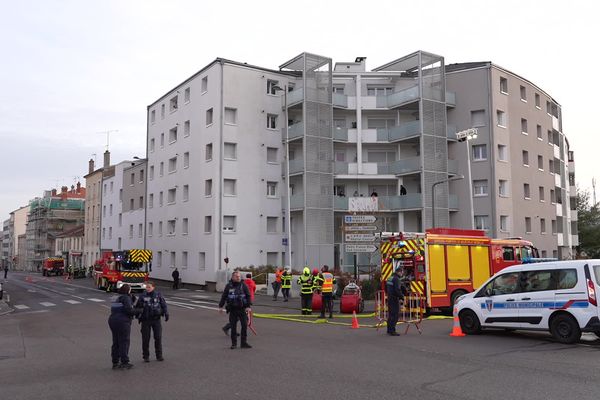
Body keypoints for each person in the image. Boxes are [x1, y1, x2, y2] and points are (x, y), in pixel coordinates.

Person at [108, 284, 140, 369]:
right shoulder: (126, 298)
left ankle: (115, 362)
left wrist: (131, 300)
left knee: (116, 341)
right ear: (128, 290)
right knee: (124, 341)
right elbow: (129, 310)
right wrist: (139, 310)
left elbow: (119, 307)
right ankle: (124, 362)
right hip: (122, 321)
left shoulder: (116, 297)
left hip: (112, 320)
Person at [135, 282, 169, 362]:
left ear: (153, 287)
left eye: (149, 287)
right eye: (146, 287)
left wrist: (166, 313)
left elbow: (163, 305)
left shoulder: (158, 295)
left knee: (158, 337)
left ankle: (159, 355)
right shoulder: (142, 296)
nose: (147, 288)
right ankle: (146, 356)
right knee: (146, 339)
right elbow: (137, 307)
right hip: (145, 320)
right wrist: (137, 315)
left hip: (156, 319)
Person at [219, 271, 252, 349]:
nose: (238, 278)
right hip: (233, 310)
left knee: (244, 326)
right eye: (237, 276)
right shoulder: (228, 286)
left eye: (239, 276)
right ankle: (234, 344)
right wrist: (220, 306)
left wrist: (248, 306)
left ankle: (243, 343)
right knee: (233, 327)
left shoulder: (243, 285)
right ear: (233, 277)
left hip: (242, 309)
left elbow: (248, 296)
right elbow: (224, 296)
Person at [386, 266, 408, 336]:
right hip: (394, 298)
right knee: (395, 315)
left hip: (389, 297)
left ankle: (389, 330)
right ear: (399, 272)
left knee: (390, 315)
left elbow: (387, 288)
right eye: (402, 272)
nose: (402, 274)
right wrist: (402, 297)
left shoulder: (390, 278)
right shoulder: (396, 279)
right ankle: (393, 331)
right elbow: (397, 290)